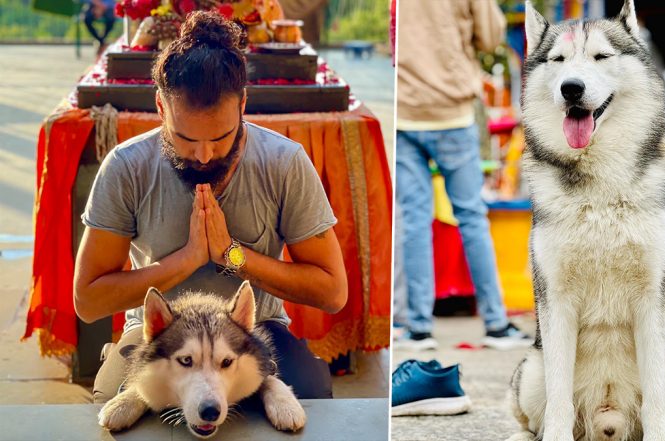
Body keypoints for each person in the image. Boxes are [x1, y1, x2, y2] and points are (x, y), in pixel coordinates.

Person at [73, 11, 348, 402]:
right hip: (160, 335)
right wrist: (184, 262)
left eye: (221, 138)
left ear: (243, 106)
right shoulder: (126, 166)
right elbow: (88, 299)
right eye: (186, 139)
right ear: (161, 108)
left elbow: (333, 290)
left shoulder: (284, 162)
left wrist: (232, 256)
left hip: (256, 330)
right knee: (112, 406)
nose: (204, 156)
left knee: (311, 396)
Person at [395, 0, 531, 351]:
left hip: (404, 110)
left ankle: (418, 328)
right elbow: (490, 37)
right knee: (471, 215)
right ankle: (496, 324)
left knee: (413, 220)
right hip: (451, 111)